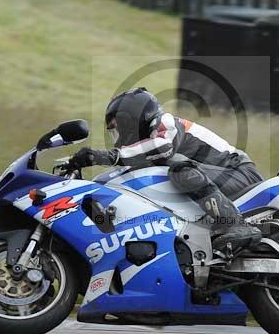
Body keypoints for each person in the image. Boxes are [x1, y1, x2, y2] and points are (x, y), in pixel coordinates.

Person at [69, 87, 263, 254]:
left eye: (117, 128)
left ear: (132, 120)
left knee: (179, 168)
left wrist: (108, 156)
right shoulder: (143, 150)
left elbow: (162, 148)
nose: (117, 136)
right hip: (218, 178)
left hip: (238, 172)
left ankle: (236, 225)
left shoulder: (166, 123)